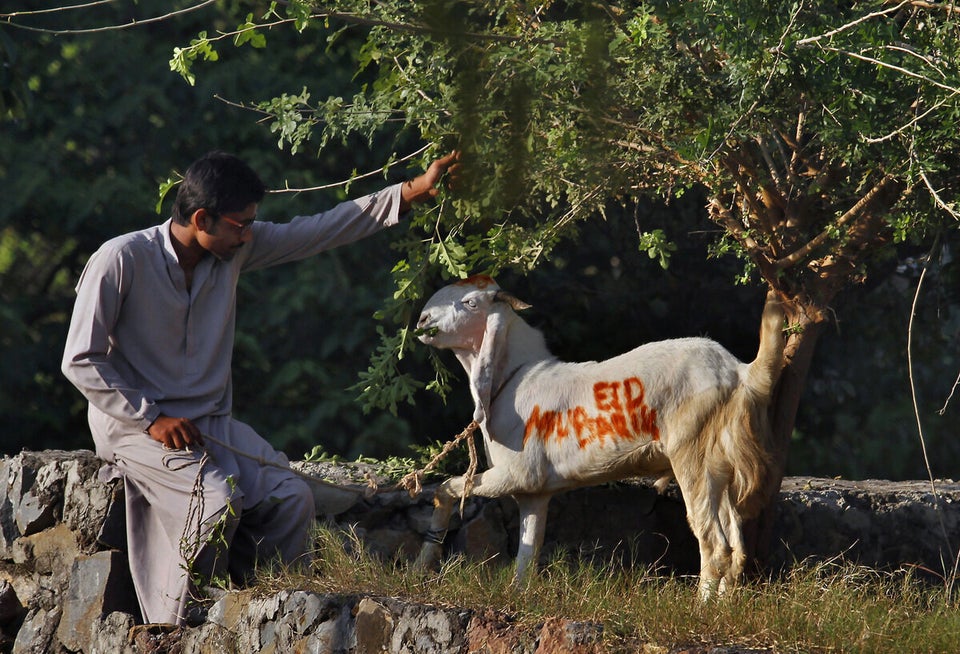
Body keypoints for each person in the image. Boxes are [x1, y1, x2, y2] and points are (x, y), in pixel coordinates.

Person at [61, 149, 460, 626]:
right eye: (240, 224)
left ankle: (271, 616)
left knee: (293, 499)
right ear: (201, 217)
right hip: (131, 427)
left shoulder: (233, 248)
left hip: (210, 425)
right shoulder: (121, 258)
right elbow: (80, 359)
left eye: (251, 224)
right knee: (213, 501)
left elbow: (321, 228)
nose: (248, 234)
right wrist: (151, 418)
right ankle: (184, 626)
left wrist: (412, 190)